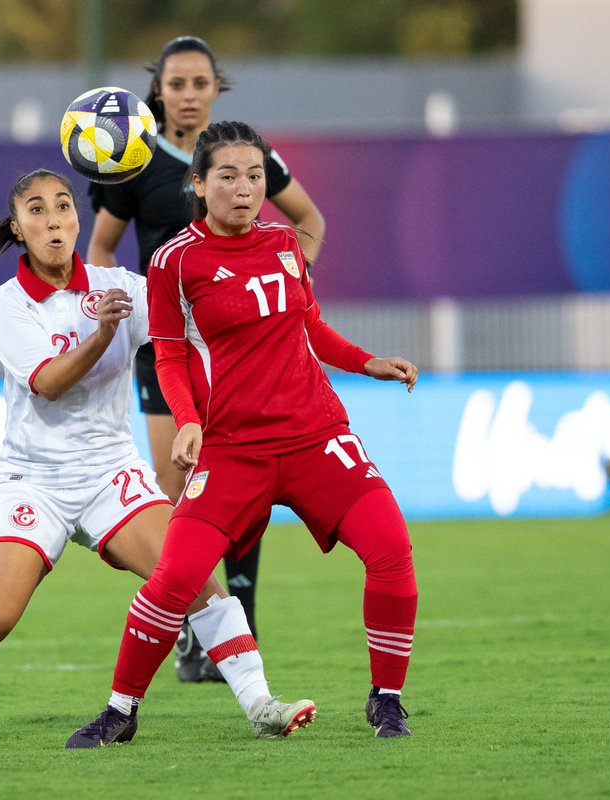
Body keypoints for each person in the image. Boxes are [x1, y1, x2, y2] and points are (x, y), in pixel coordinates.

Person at [0, 169, 313, 750]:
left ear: (78, 219)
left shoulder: (119, 285)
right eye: (37, 210)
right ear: (18, 228)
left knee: (195, 580)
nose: (53, 220)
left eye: (63, 206)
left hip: (110, 473)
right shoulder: (8, 304)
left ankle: (260, 705)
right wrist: (101, 334)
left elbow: (196, 326)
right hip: (33, 481)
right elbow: (48, 382)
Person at [67, 121, 419, 748]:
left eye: (254, 176)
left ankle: (387, 701)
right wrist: (189, 420)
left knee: (392, 550)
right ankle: (121, 711)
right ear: (199, 185)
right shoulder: (174, 260)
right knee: (174, 579)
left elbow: (311, 326)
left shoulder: (285, 243)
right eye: (228, 176)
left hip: (316, 437)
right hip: (232, 450)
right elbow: (169, 354)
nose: (245, 188)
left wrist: (368, 362)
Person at [87, 34, 326, 683]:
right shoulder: (134, 160)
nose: (189, 95)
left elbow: (308, 220)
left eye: (200, 83)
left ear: (217, 87)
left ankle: (240, 624)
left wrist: (285, 289)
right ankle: (196, 625)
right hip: (166, 349)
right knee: (177, 494)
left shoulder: (243, 155)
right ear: (157, 90)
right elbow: (101, 249)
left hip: (241, 351)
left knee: (247, 489)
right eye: (176, 84)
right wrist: (122, 307)